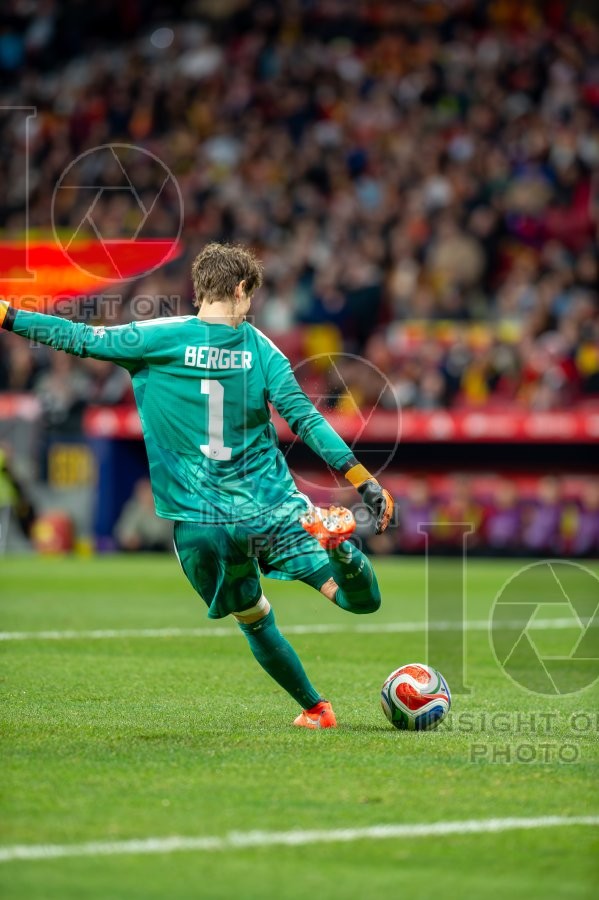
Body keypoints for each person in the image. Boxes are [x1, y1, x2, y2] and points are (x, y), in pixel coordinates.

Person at [0, 243, 393, 729]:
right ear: (241, 288)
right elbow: (305, 419)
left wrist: (8, 315)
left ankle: (316, 709)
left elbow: (77, 337)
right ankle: (339, 549)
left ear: (199, 289)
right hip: (272, 508)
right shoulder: (261, 349)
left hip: (199, 522)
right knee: (359, 600)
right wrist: (361, 479)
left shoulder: (156, 337)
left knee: (253, 616)